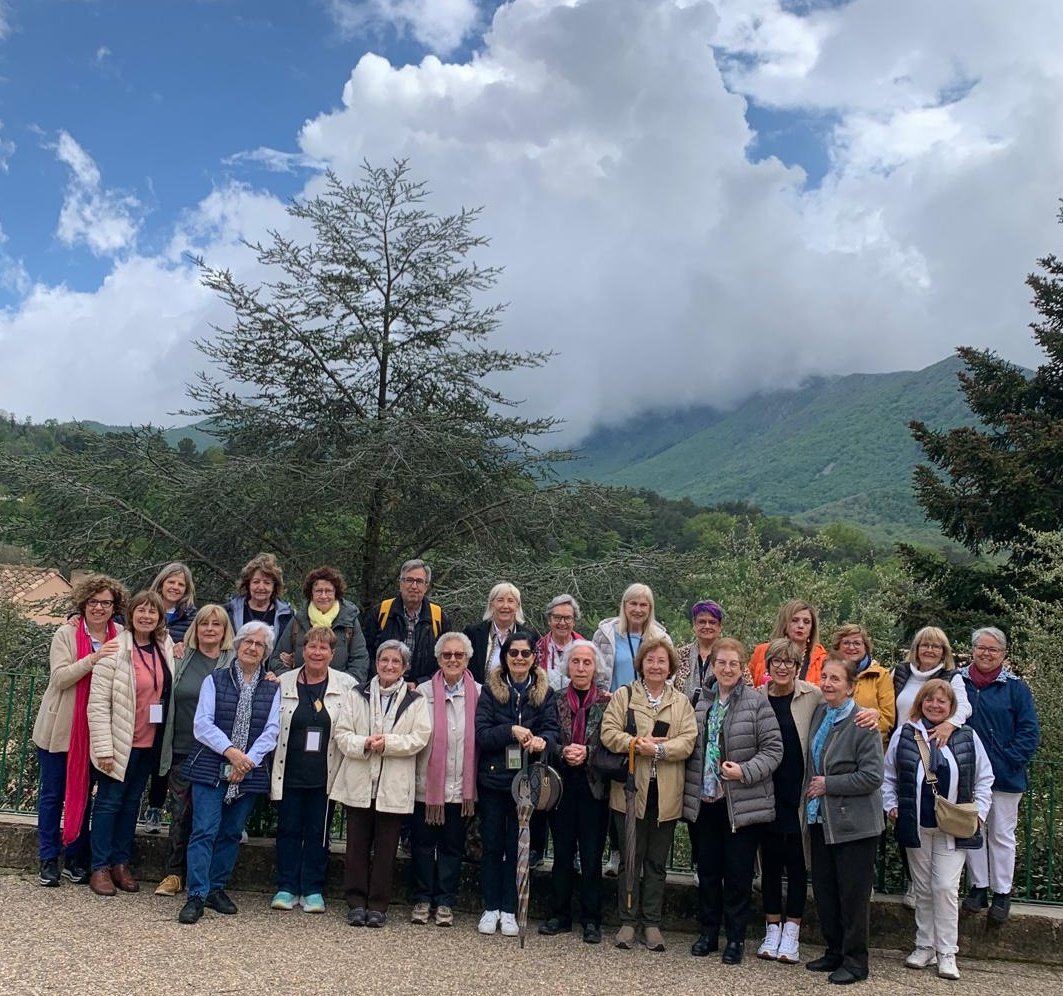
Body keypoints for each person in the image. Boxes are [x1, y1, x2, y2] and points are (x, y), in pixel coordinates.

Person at [883, 679, 994, 980]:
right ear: (921, 703)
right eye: (929, 700)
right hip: (916, 824)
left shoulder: (967, 736)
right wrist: (891, 805)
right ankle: (924, 945)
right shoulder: (905, 734)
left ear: (951, 706)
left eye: (941, 701)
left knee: (944, 888)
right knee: (922, 888)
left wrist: (980, 813)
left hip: (953, 827)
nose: (935, 705)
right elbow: (888, 774)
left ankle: (947, 952)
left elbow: (985, 777)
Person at [683, 638, 782, 965]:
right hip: (706, 801)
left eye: (734, 664)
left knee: (738, 875)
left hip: (740, 803)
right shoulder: (700, 701)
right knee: (708, 871)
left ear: (742, 668)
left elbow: (774, 750)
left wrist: (744, 771)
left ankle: (736, 938)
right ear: (713, 666)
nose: (727, 669)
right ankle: (708, 932)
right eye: (721, 663)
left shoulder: (757, 703)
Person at [177, 621, 281, 924]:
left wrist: (246, 761)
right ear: (237, 644)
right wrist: (231, 752)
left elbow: (272, 730)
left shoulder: (273, 687)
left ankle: (216, 888)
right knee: (204, 830)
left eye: (259, 644)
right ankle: (196, 894)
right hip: (211, 766)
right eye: (248, 641)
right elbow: (202, 724)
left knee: (231, 832)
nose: (252, 648)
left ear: (266, 652)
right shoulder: (215, 679)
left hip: (249, 769)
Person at [599, 637, 696, 952]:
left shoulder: (680, 702)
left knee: (656, 862)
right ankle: (628, 921)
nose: (656, 666)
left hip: (665, 793)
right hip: (630, 791)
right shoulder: (625, 695)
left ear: (670, 667)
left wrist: (660, 750)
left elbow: (688, 740)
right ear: (641, 664)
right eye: (650, 660)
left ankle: (652, 923)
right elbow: (608, 732)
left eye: (662, 661)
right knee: (630, 858)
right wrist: (636, 744)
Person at [32, 574, 126, 888]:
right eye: (94, 602)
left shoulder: (121, 635)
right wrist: (93, 658)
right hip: (60, 729)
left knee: (84, 795)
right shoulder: (66, 633)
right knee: (53, 795)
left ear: (114, 607)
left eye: (106, 603)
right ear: (84, 603)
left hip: (97, 731)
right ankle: (48, 859)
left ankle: (75, 858)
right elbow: (60, 678)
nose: (100, 608)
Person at [332, 640, 430, 927]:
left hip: (393, 783)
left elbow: (420, 737)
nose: (389, 666)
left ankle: (378, 905)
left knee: (387, 849)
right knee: (356, 846)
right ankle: (355, 902)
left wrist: (388, 744)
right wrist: (364, 743)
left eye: (395, 661)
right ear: (376, 663)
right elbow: (341, 733)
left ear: (405, 667)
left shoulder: (416, 700)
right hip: (359, 779)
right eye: (384, 660)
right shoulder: (356, 694)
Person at [87, 590, 175, 896]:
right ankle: (99, 866)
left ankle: (120, 863)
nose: (146, 616)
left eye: (153, 612)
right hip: (119, 742)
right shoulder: (114, 649)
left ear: (160, 618)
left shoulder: (164, 647)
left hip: (150, 744)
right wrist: (103, 748)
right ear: (131, 614)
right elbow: (98, 705)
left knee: (130, 804)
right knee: (108, 803)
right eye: (141, 610)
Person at [803, 654, 884, 985]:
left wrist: (829, 784)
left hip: (855, 825)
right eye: (824, 677)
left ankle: (856, 961)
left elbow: (872, 776)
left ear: (851, 687)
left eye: (835, 679)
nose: (827, 683)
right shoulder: (821, 713)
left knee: (852, 896)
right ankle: (834, 951)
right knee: (826, 892)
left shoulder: (863, 723)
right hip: (822, 820)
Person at [475, 630, 559, 937]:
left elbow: (553, 731)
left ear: (534, 657)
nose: (519, 658)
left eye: (525, 653)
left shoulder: (545, 692)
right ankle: (491, 906)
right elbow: (482, 734)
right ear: (505, 657)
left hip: (526, 781)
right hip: (494, 779)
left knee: (518, 847)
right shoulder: (490, 691)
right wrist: (511, 730)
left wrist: (541, 740)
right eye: (514, 653)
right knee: (492, 845)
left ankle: (510, 908)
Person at [269, 626, 356, 913]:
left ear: (333, 653)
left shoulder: (347, 685)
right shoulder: (282, 682)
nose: (317, 652)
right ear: (302, 651)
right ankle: (286, 886)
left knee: (319, 833)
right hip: (289, 771)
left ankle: (313, 889)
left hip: (325, 774)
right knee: (288, 830)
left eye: (323, 648)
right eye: (312, 647)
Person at [960, 627, 1040, 925]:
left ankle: (1002, 892)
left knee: (1002, 834)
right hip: (968, 773)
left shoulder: (1015, 688)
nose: (986, 653)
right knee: (972, 830)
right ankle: (978, 887)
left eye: (993, 649)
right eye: (981, 647)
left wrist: (1008, 761)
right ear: (973, 649)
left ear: (1003, 654)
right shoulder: (959, 681)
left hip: (1005, 776)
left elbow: (1029, 731)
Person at [155, 604, 235, 897]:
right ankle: (174, 873)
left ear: (225, 631)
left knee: (212, 818)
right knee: (181, 813)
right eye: (204, 624)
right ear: (195, 628)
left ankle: (207, 879)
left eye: (217, 624)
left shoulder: (234, 663)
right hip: (183, 748)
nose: (210, 629)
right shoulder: (180, 657)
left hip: (219, 753)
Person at [755, 638, 824, 965]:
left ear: (798, 667)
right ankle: (772, 928)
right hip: (766, 793)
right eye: (777, 661)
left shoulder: (813, 695)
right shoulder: (757, 698)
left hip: (799, 792)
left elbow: (842, 708)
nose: (782, 667)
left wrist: (868, 714)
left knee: (797, 864)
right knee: (769, 863)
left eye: (789, 662)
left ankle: (792, 931)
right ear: (768, 665)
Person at [539, 640, 611, 943]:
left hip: (594, 787)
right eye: (576, 662)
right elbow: (547, 735)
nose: (581, 668)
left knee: (592, 856)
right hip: (562, 785)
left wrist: (588, 752)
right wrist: (562, 750)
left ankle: (591, 919)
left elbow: (613, 743)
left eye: (587, 663)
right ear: (567, 666)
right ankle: (560, 915)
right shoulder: (554, 699)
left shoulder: (607, 702)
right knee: (562, 853)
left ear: (596, 668)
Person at [411, 632, 480, 927]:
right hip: (427, 784)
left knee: (452, 847)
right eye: (447, 655)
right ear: (438, 659)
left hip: (461, 786)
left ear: (467, 659)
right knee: (423, 845)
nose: (453, 659)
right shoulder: (422, 692)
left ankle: (445, 901)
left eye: (459, 655)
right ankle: (422, 898)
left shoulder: (480, 693)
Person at [143, 561, 198, 833]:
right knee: (144, 751)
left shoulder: (192, 617)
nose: (175, 587)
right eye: (171, 582)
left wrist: (183, 647)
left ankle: (155, 807)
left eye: (181, 584)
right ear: (161, 582)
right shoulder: (146, 607)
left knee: (165, 751)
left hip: (173, 693)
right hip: (144, 690)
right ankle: (143, 804)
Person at [272, 566, 369, 681]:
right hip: (301, 687)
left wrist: (345, 685)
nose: (323, 596)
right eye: (318, 591)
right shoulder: (298, 620)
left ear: (336, 593)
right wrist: (293, 681)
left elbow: (360, 661)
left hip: (340, 689)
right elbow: (277, 660)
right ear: (311, 593)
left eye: (328, 591)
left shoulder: (349, 621)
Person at [364, 559, 451, 686]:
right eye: (409, 580)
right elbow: (366, 654)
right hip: (383, 686)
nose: (414, 586)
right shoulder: (381, 612)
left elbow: (446, 660)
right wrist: (385, 680)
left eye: (419, 581)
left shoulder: (438, 617)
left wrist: (419, 684)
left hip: (423, 691)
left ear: (426, 586)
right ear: (400, 583)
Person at [593, 583, 671, 693]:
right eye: (633, 604)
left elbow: (670, 677)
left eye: (643, 605)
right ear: (624, 605)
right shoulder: (604, 636)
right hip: (612, 702)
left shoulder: (662, 639)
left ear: (650, 608)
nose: (638, 610)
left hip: (649, 703)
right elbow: (593, 674)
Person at [833, 624, 895, 750]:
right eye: (846, 643)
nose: (851, 647)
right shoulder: (829, 673)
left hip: (869, 747)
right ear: (838, 647)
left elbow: (888, 718)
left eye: (857, 643)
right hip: (835, 746)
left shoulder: (881, 675)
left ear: (865, 647)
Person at [464, 582, 539, 682]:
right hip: (479, 690)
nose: (505, 606)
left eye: (510, 601)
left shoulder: (531, 636)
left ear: (517, 606)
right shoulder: (472, 633)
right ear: (491, 604)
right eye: (500, 600)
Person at [748, 599, 828, 688]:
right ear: (785, 624)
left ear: (812, 628)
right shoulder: (762, 651)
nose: (801, 626)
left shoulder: (822, 659)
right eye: (794, 620)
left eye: (806, 622)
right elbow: (748, 688)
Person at [223, 552, 293, 646]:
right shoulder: (229, 612)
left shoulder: (287, 616)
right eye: (256, 582)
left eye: (267, 583)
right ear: (248, 584)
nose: (261, 587)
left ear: (274, 586)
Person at [675, 600, 726, 702]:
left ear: (720, 626)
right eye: (702, 622)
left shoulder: (731, 656)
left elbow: (746, 690)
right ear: (694, 624)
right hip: (683, 710)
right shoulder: (679, 655)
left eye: (712, 622)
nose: (707, 626)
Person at [535, 594, 586, 691]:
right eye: (557, 617)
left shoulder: (586, 650)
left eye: (568, 618)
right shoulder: (538, 649)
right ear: (549, 620)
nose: (562, 623)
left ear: (574, 621)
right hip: (546, 700)